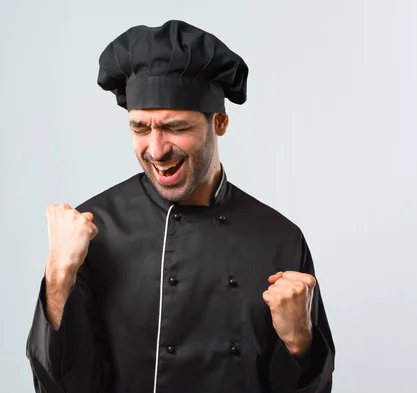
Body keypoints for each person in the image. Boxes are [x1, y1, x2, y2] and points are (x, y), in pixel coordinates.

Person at [25, 20, 335, 393]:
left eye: (175, 127)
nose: (156, 150)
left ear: (219, 122)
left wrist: (301, 343)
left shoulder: (279, 239)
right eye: (140, 128)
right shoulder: (93, 230)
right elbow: (61, 387)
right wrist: (58, 277)